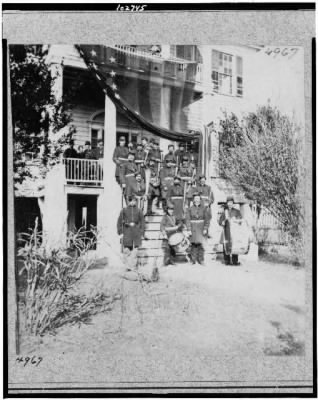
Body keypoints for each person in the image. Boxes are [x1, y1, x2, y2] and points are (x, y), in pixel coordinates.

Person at [185, 193, 211, 265]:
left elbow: (207, 219)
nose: (197, 200)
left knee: (201, 244)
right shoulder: (189, 209)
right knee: (193, 244)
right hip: (193, 227)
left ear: (200, 200)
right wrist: (189, 229)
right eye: (195, 199)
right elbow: (187, 220)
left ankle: (201, 260)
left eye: (198, 199)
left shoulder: (204, 208)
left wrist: (205, 228)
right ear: (193, 200)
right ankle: (193, 260)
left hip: (201, 227)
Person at [218, 196, 243, 266]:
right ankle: (227, 261)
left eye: (231, 203)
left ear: (233, 203)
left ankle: (235, 261)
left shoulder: (237, 211)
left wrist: (236, 220)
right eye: (228, 203)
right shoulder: (224, 212)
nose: (230, 204)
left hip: (234, 231)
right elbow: (220, 221)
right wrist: (222, 222)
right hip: (226, 231)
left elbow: (240, 220)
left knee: (234, 245)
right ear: (227, 203)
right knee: (226, 245)